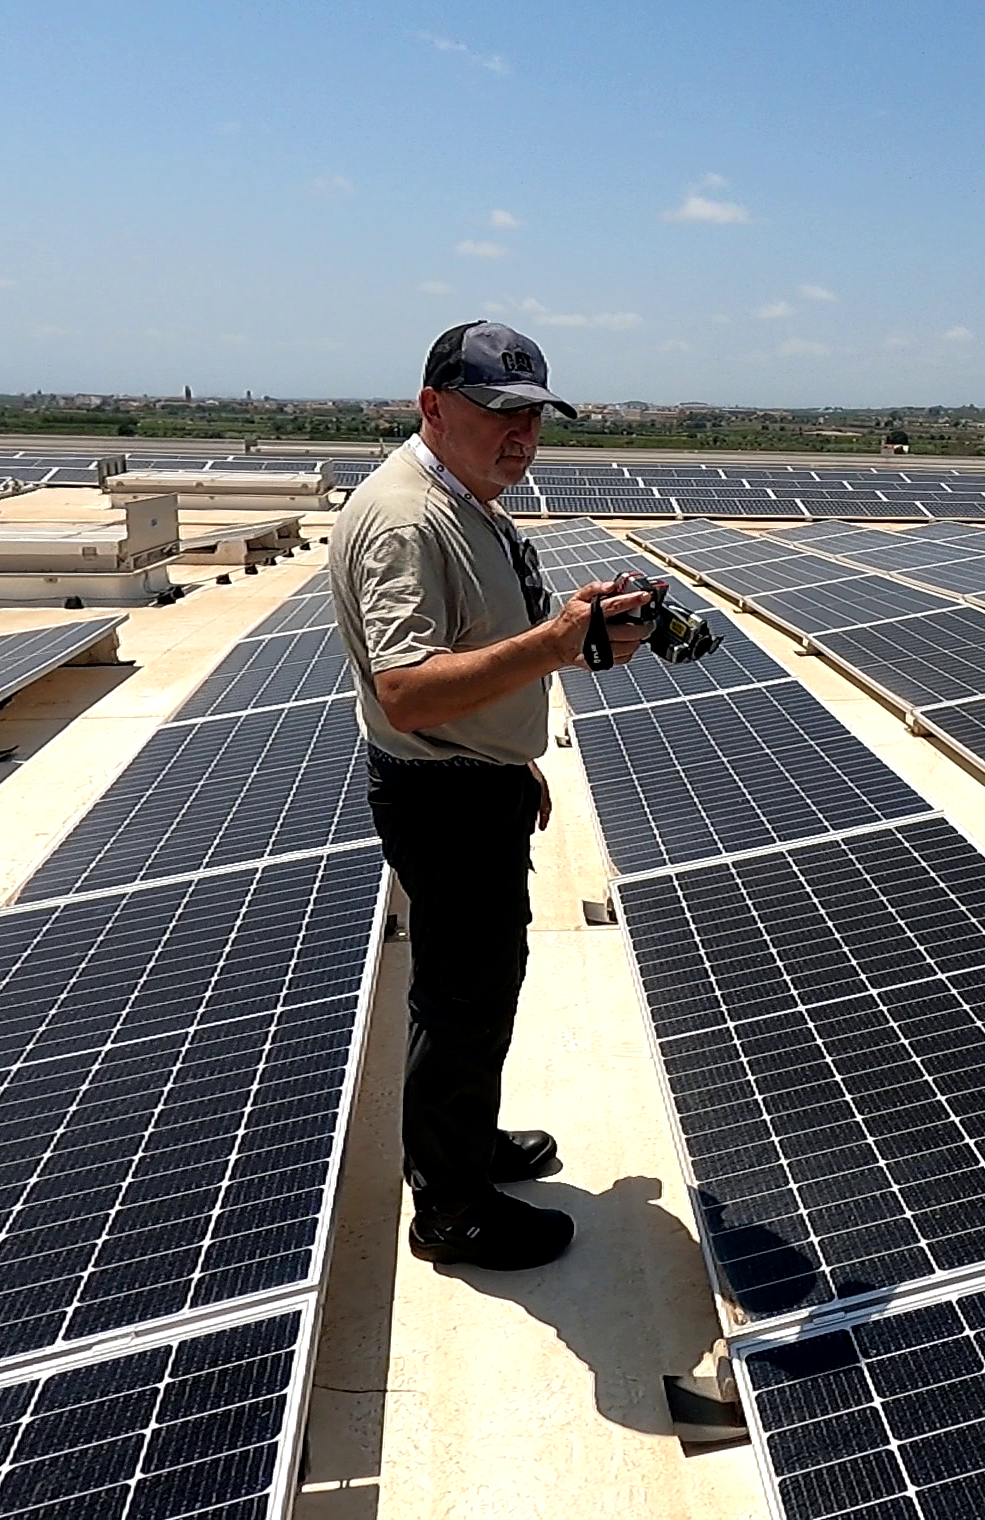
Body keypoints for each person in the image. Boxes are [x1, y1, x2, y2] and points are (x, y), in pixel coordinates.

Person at [326, 321, 650, 1271]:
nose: (523, 435)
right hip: (445, 799)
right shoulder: (407, 519)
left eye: (534, 417)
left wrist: (512, 755)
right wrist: (553, 646)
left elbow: (465, 656)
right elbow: (406, 689)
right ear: (433, 405)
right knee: (462, 998)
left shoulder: (461, 499)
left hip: (472, 778)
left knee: (479, 986)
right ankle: (452, 1209)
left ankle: (462, 1142)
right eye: (500, 413)